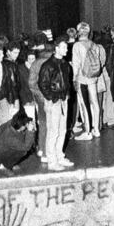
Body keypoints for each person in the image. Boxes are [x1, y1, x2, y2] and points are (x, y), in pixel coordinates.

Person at [38, 36, 75, 171]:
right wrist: (51, 98)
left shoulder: (65, 64)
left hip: (63, 100)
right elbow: (42, 84)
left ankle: (60, 156)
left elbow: (68, 82)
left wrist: (67, 95)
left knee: (62, 130)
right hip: (54, 101)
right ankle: (52, 160)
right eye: (64, 47)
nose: (67, 49)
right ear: (57, 48)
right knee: (53, 131)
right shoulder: (48, 65)